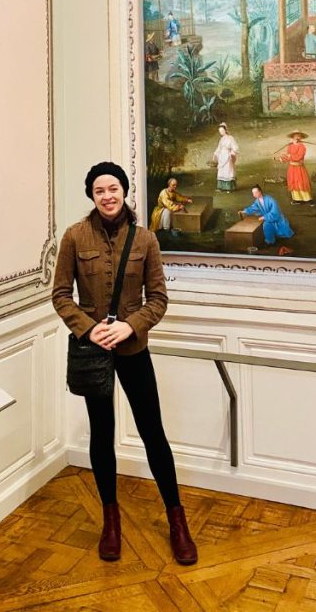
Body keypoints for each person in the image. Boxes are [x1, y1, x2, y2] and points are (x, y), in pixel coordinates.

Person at [51, 161, 197, 565]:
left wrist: (130, 327)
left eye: (113, 188)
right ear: (92, 196)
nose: (107, 196)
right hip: (93, 353)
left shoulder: (146, 239)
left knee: (153, 432)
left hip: (134, 351)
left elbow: (159, 300)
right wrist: (87, 329)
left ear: (124, 190)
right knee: (102, 434)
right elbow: (61, 294)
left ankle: (177, 520)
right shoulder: (74, 237)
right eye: (99, 190)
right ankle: (110, 521)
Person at [279, 131, 313, 203]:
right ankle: (297, 199)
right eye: (295, 136)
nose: (297, 137)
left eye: (299, 136)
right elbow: (288, 157)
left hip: (299, 168)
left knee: (301, 182)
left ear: (301, 137)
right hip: (291, 168)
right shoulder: (290, 146)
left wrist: (289, 156)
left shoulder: (302, 147)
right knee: (293, 182)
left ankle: (308, 199)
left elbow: (298, 157)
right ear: (293, 137)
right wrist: (282, 158)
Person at [213, 122, 239, 191]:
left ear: (225, 130)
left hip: (228, 156)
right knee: (221, 171)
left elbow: (235, 147)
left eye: (222, 131)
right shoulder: (221, 139)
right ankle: (221, 187)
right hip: (221, 157)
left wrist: (232, 153)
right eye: (220, 131)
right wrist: (215, 153)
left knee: (228, 171)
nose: (221, 132)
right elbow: (219, 148)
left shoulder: (230, 138)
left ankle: (229, 188)